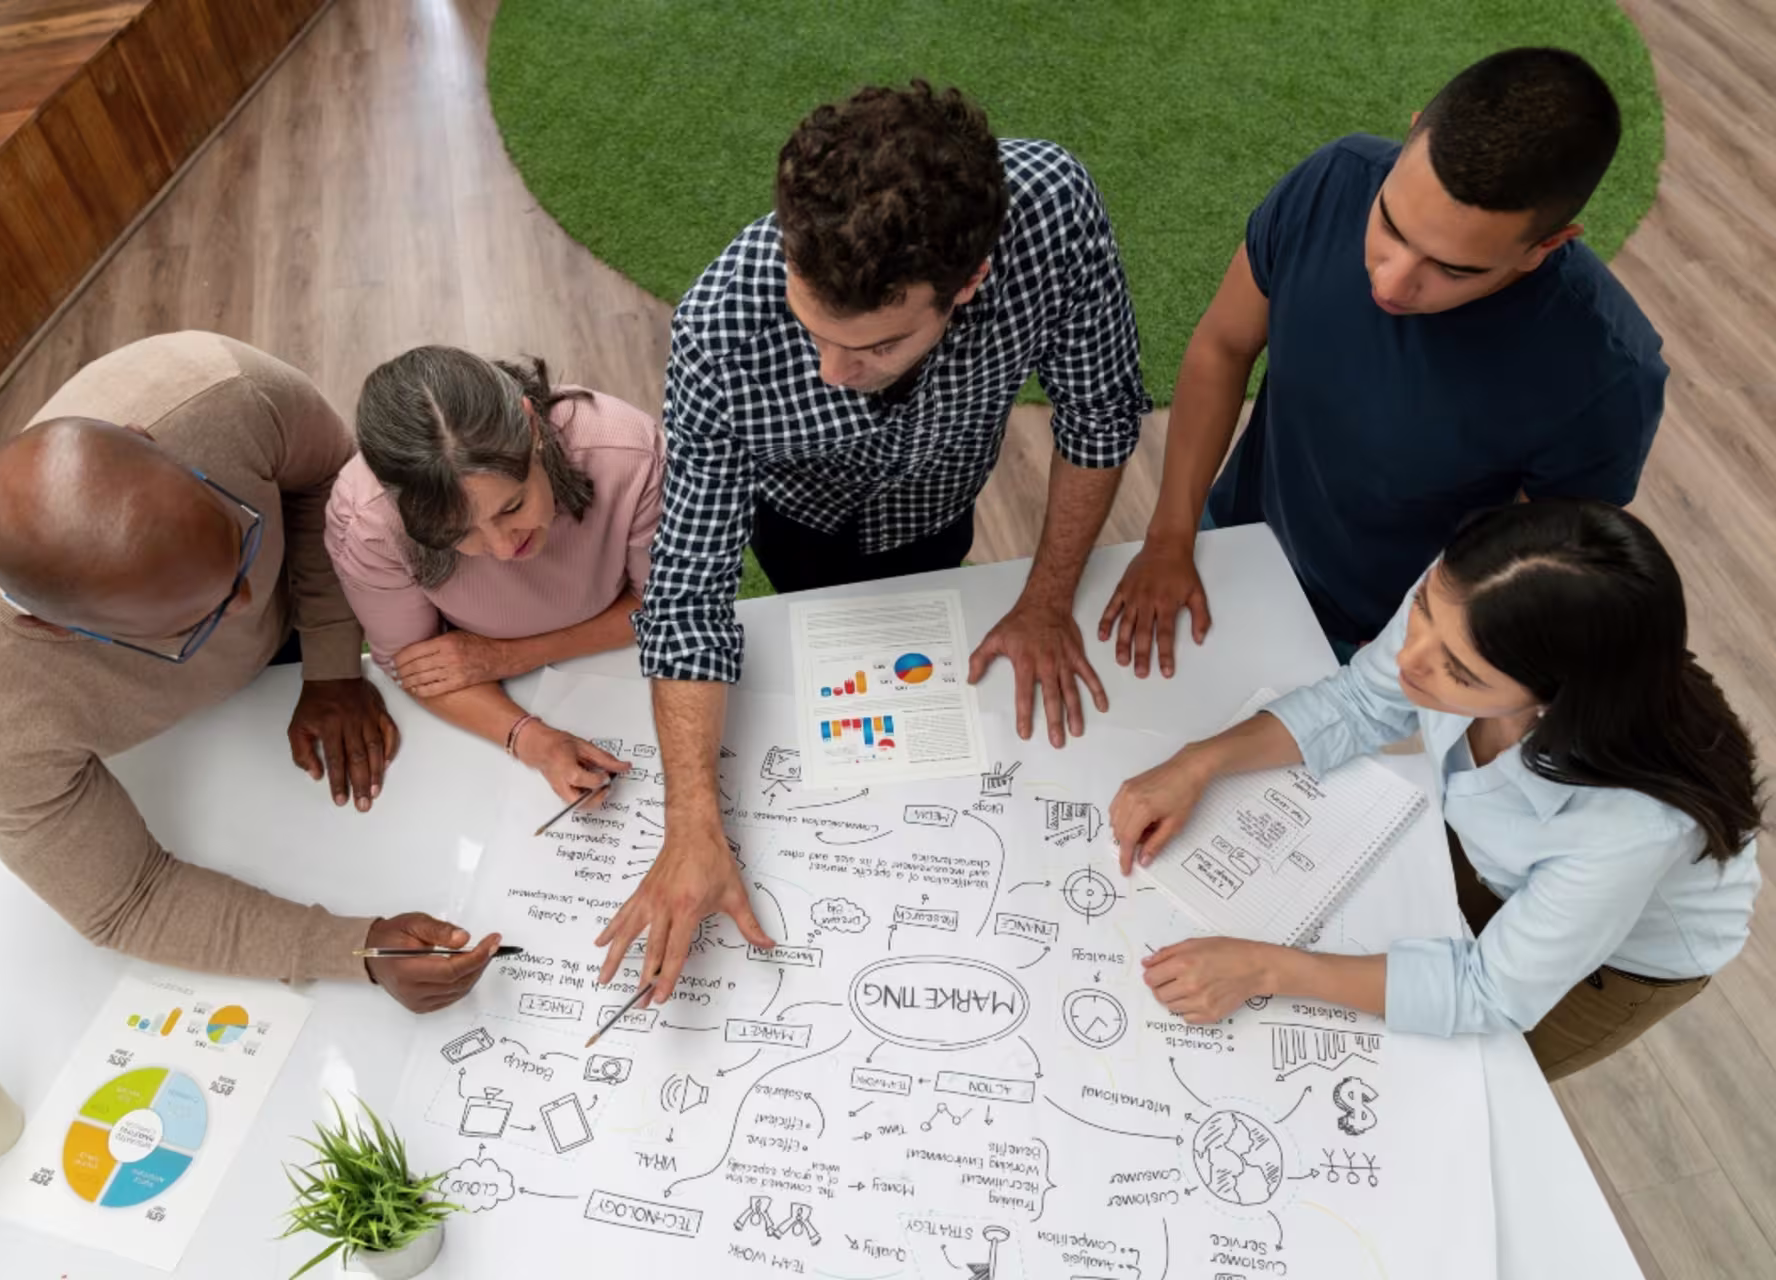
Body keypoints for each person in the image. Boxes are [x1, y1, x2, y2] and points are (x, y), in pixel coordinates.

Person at [609, 80, 1152, 1002]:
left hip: (939, 509)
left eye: (875, 347)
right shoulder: (720, 324)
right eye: (811, 328)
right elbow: (691, 594)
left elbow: (1099, 414)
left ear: (969, 282)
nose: (831, 372)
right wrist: (692, 819)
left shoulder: (1054, 210)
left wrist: (1047, 598)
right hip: (796, 519)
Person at [0, 333, 498, 1013]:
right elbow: (129, 900)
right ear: (55, 631)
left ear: (147, 440)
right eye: (194, 622)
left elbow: (332, 483)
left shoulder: (224, 390)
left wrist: (330, 662)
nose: (249, 602)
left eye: (237, 537)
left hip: (320, 602)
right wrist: (354, 950)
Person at [1110, 500, 1762, 1081]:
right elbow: (1362, 701)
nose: (1408, 659)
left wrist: (1266, 969)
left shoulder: (1630, 828)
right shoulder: (1469, 598)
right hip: (1493, 848)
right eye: (1421, 612)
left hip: (1617, 963)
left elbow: (1489, 994)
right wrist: (1200, 763)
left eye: (1459, 672)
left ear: (1556, 698)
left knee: (1468, 1080)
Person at [1100, 47, 1666, 675]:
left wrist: (1426, 643)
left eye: (1453, 269)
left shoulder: (1608, 375)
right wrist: (1170, 536)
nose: (1391, 283)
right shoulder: (1332, 179)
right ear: (1411, 134)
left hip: (1392, 642)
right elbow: (1222, 347)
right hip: (1232, 544)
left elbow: (1538, 558)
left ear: (1547, 245)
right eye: (1392, 225)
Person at [325, 347, 663, 800]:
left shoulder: (627, 452)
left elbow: (670, 605)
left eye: (513, 506)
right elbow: (418, 668)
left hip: (628, 662)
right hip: (491, 698)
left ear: (531, 427)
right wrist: (532, 740)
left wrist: (510, 656)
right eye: (458, 533)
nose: (504, 549)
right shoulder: (367, 521)